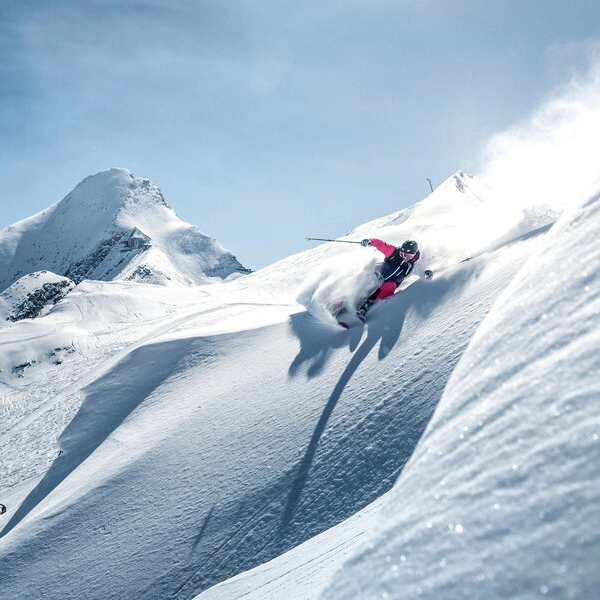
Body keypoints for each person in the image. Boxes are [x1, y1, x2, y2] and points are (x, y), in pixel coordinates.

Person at [356, 238, 432, 321]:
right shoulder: (393, 252)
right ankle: (346, 298)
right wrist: (370, 241)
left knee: (389, 286)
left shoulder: (414, 264)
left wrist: (427, 273)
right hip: (379, 275)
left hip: (389, 284)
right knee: (368, 277)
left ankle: (365, 307)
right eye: (402, 254)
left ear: (413, 255)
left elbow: (422, 270)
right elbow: (381, 244)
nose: (404, 257)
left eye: (407, 256)